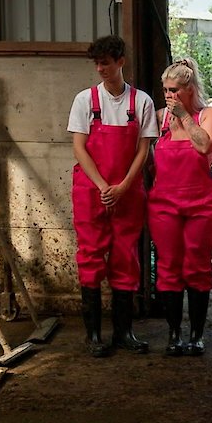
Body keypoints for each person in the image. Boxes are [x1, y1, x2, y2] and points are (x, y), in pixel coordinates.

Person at [69, 35, 159, 357]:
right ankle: (93, 336)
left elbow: (144, 149)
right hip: (91, 191)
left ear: (120, 61)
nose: (100, 69)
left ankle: (124, 333)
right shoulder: (85, 101)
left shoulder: (142, 102)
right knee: (91, 257)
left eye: (105, 63)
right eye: (97, 64)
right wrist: (102, 185)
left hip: (128, 191)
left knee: (126, 258)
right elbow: (79, 147)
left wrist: (122, 187)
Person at [148, 58, 212, 356]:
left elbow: (205, 145)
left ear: (190, 89)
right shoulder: (159, 118)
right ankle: (173, 333)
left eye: (175, 90)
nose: (169, 96)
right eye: (166, 90)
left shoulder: (208, 116)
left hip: (202, 203)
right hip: (164, 203)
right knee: (168, 267)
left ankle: (197, 334)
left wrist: (184, 117)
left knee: (197, 265)